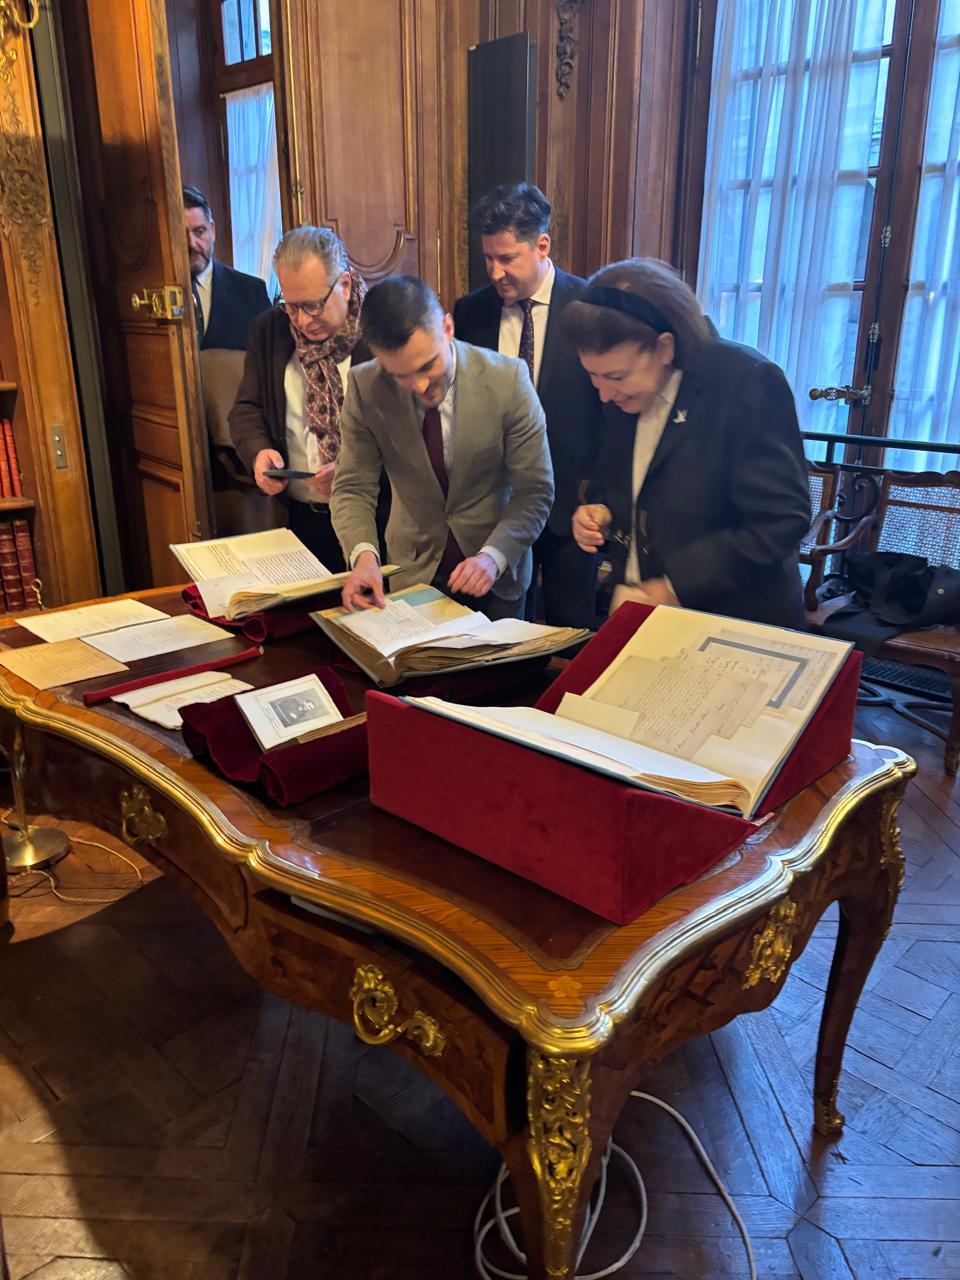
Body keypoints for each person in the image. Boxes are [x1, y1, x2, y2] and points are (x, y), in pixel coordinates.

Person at [567, 258, 811, 630]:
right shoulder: (623, 395)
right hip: (644, 617)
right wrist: (598, 513)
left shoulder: (746, 382)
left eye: (615, 376)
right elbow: (622, 482)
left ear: (665, 347)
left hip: (734, 623)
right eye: (592, 376)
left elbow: (782, 520)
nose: (603, 393)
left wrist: (675, 585)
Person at [331, 275, 554, 619]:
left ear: (447, 328)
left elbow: (535, 491)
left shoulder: (507, 380)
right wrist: (363, 557)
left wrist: (493, 557)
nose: (419, 384)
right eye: (400, 376)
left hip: (495, 576)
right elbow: (352, 487)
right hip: (412, 573)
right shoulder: (365, 386)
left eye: (427, 365)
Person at [453, 183, 602, 628]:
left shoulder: (589, 306)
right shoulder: (471, 312)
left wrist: (597, 499)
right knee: (495, 633)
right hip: (494, 510)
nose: (495, 272)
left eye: (507, 258)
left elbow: (608, 414)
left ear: (542, 246)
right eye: (488, 259)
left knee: (568, 633)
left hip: (569, 509)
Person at [229, 226, 372, 569]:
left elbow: (407, 432)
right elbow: (247, 409)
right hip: (300, 518)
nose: (303, 320)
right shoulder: (270, 331)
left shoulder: (380, 331)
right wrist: (259, 453)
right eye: (291, 306)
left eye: (313, 305)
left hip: (376, 517)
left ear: (345, 285)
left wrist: (354, 471)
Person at [182, 186, 270, 350]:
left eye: (199, 232)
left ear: (212, 230)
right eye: (181, 234)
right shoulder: (155, 297)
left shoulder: (252, 291)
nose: (191, 244)